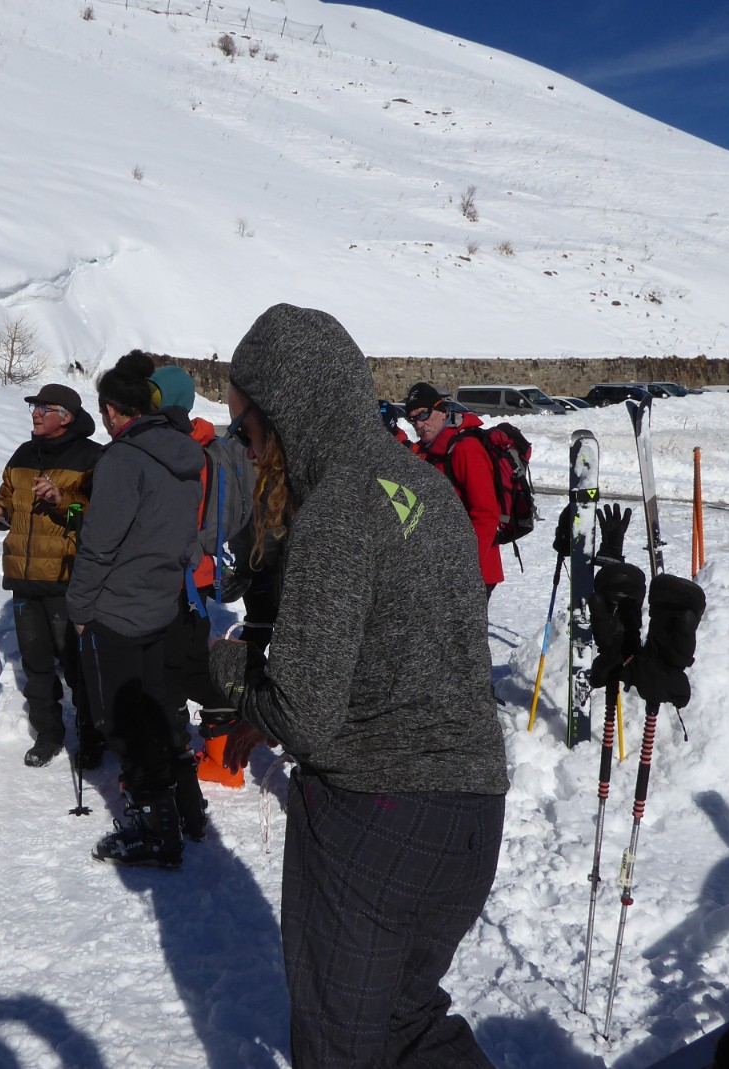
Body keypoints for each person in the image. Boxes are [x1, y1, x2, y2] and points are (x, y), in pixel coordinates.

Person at [208, 304, 508, 1067]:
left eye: (246, 428)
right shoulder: (421, 485)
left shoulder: (340, 504)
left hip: (376, 823)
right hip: (470, 818)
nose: (245, 447)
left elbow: (303, 718)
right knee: (409, 1026)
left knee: (341, 1045)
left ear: (288, 413)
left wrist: (215, 660)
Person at [68, 352, 204, 867]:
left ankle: (157, 831)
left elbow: (100, 546)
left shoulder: (123, 459)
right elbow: (186, 537)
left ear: (111, 410)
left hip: (118, 611)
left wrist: (80, 607)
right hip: (159, 604)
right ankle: (188, 813)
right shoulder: (185, 454)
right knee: (158, 708)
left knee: (124, 721)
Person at [148, 362, 254, 832]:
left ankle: (194, 759)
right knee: (190, 656)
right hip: (205, 570)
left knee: (173, 664)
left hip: (173, 573)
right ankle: (218, 758)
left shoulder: (175, 451)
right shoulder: (214, 444)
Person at [0, 383, 105, 769]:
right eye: (33, 407)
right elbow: (7, 500)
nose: (35, 413)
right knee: (35, 665)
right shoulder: (23, 454)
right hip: (23, 576)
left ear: (65, 417)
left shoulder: (91, 457)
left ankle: (91, 736)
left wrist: (61, 500)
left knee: (76, 665)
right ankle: (49, 735)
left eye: (43, 408)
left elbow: (94, 516)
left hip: (66, 578)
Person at [404, 380, 505, 598]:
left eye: (423, 415)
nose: (419, 424)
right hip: (443, 566)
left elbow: (486, 514)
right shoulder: (430, 451)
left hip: (473, 569)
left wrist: (464, 568)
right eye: (412, 419)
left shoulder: (465, 449)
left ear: (441, 410)